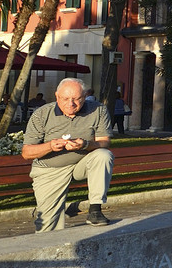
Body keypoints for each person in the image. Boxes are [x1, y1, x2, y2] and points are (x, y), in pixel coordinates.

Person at [22, 77, 113, 229]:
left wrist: (85, 144)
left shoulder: (98, 110)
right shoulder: (42, 114)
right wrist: (50, 146)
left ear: (85, 96)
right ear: (57, 96)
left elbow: (104, 142)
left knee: (103, 155)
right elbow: (26, 152)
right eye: (65, 99)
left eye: (76, 99)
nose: (71, 104)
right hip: (49, 169)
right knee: (47, 225)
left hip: (81, 164)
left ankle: (95, 210)